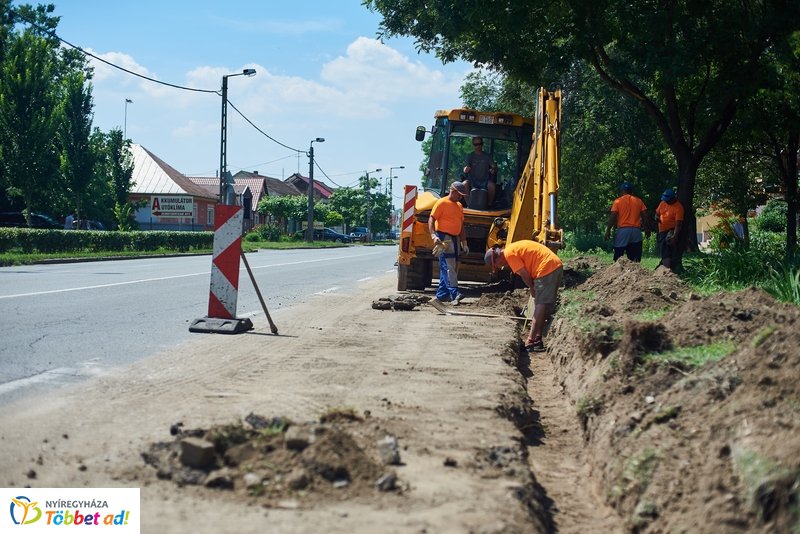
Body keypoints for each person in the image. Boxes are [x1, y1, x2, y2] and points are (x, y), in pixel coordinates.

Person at [484, 240, 563, 352]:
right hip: (553, 266)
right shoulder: (512, 249)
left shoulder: (509, 255)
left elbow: (524, 274)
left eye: (496, 265)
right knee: (542, 305)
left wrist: (531, 287)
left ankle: (530, 342)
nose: (500, 267)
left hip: (546, 268)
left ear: (498, 257)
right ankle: (537, 339)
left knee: (540, 305)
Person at [428, 181, 469, 305]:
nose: (461, 197)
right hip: (443, 238)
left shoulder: (459, 206)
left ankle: (441, 295)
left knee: (451, 266)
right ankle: (454, 292)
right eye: (459, 194)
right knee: (448, 266)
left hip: (455, 238)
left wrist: (464, 242)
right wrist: (434, 236)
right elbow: (431, 219)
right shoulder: (441, 203)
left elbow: (461, 226)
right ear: (453, 191)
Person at [604, 182, 647, 262]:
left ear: (622, 191)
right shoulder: (639, 201)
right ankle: (636, 273)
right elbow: (645, 215)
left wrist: (608, 230)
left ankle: (616, 271)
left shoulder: (618, 201)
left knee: (618, 255)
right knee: (635, 259)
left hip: (623, 230)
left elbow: (613, 216)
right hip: (636, 231)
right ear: (632, 191)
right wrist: (646, 227)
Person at [463, 137, 497, 207]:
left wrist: (493, 169)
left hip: (485, 181)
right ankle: (468, 204)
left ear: (482, 144)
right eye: (476, 144)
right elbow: (465, 168)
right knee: (464, 184)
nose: (478, 146)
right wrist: (466, 169)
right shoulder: (470, 156)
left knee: (492, 186)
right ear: (473, 145)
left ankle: (489, 205)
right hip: (472, 181)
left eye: (480, 144)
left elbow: (494, 167)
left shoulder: (487, 156)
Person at [655, 187, 684, 270]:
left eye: (668, 200)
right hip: (661, 230)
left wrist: (675, 235)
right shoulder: (662, 203)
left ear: (672, 198)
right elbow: (657, 213)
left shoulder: (678, 207)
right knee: (663, 249)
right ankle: (666, 267)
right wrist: (657, 217)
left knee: (666, 248)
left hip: (671, 230)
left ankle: (667, 269)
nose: (666, 201)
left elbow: (678, 224)